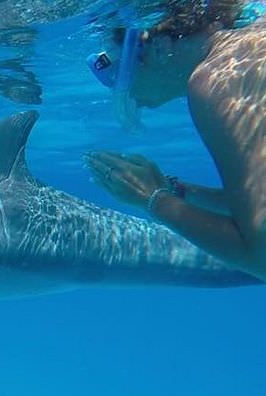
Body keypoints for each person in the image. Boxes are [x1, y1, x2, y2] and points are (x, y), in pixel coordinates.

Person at [82, 0, 266, 281]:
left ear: (158, 45)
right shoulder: (250, 45)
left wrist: (151, 200)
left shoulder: (216, 81)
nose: (125, 87)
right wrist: (178, 191)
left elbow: (262, 258)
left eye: (122, 63)